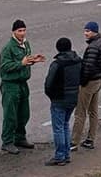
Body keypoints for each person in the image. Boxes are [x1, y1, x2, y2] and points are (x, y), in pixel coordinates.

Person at [0, 19, 44, 155]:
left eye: (24, 30)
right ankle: (7, 142)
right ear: (13, 32)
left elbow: (26, 61)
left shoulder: (26, 44)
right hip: (10, 85)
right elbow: (5, 67)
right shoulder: (8, 48)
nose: (22, 33)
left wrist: (33, 60)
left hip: (23, 83)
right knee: (10, 115)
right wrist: (21, 63)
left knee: (24, 113)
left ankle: (20, 137)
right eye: (19, 31)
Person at [44, 37, 81, 166]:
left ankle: (60, 156)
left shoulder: (57, 64)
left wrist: (51, 96)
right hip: (73, 98)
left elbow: (49, 83)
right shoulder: (78, 61)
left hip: (59, 99)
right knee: (65, 125)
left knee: (58, 128)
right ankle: (66, 154)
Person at [72, 21, 101, 151]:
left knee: (80, 113)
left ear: (94, 32)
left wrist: (82, 81)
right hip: (98, 80)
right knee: (93, 111)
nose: (85, 33)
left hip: (89, 83)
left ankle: (74, 141)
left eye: (88, 31)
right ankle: (90, 139)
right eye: (85, 30)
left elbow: (88, 67)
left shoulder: (93, 47)